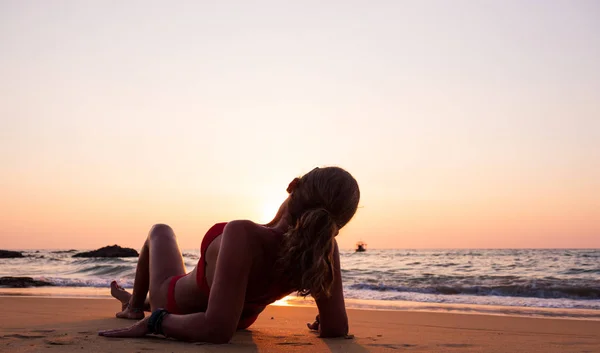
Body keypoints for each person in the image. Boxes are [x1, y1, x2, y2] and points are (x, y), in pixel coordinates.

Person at [98, 166, 360, 343]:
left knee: (160, 231)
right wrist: (324, 320)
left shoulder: (244, 234)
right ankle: (133, 301)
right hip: (239, 319)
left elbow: (217, 328)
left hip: (173, 304)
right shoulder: (324, 251)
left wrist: (157, 321)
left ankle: (135, 309)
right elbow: (337, 328)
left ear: (292, 185)